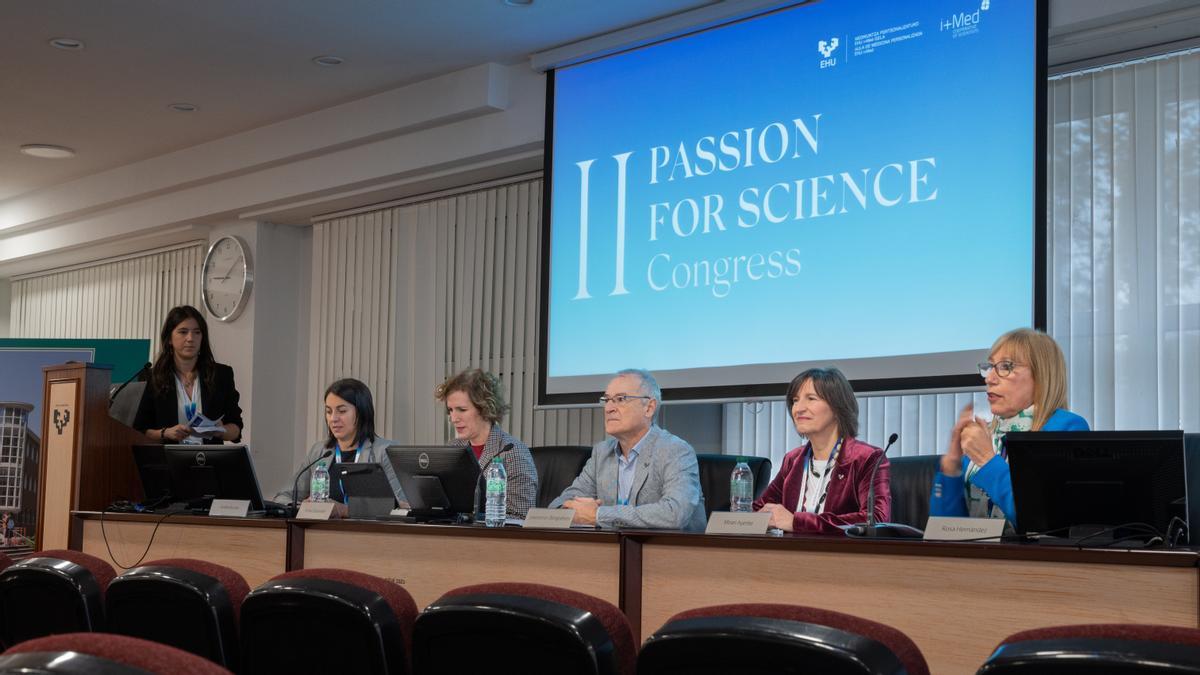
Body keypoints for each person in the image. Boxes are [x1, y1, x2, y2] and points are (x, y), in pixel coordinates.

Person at [930, 328, 1089, 524]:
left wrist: (988, 460)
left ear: (1041, 377)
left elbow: (1041, 519)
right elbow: (946, 530)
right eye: (990, 366)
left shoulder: (1066, 427)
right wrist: (950, 468)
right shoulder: (985, 436)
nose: (989, 378)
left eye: (1005, 367)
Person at [549, 369, 706, 531]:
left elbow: (674, 513)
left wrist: (598, 515)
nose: (609, 408)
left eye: (620, 399)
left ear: (649, 408)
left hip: (670, 552)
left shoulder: (675, 451)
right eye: (607, 399)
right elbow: (558, 505)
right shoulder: (601, 453)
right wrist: (573, 510)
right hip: (613, 552)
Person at [753, 367, 890, 534]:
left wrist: (797, 522)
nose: (799, 408)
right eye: (795, 400)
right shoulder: (793, 460)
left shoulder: (867, 458)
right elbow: (757, 510)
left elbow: (876, 519)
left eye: (811, 398)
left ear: (837, 406)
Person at [279, 378, 402, 513]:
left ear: (361, 413)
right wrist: (304, 507)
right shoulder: (320, 451)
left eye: (342, 411)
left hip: (367, 533)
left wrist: (344, 510)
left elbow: (403, 506)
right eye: (329, 411)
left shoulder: (384, 452)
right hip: (319, 532)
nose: (333, 418)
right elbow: (283, 497)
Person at [435, 369, 537, 519]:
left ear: (485, 409)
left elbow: (521, 515)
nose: (453, 418)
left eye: (461, 410)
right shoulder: (452, 449)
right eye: (450, 410)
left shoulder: (513, 452)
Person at [133, 305, 242, 444]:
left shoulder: (221, 375)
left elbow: (236, 428)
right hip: (168, 461)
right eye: (183, 332)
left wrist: (220, 431)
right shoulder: (152, 377)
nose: (190, 338)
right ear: (169, 339)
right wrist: (165, 433)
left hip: (209, 461)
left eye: (197, 332)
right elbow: (139, 430)